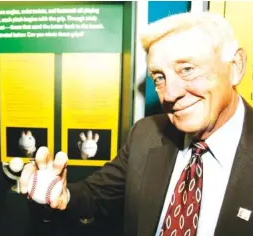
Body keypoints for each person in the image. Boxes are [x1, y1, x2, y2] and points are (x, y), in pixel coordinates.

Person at [19, 11, 253, 236]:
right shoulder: (146, 134)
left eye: (187, 69)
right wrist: (62, 196)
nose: (169, 94)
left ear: (235, 67)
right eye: (159, 78)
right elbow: (96, 194)